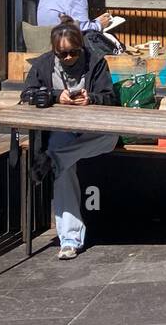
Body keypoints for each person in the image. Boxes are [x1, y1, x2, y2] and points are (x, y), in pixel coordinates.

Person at [23, 20, 120, 258]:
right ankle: (69, 239)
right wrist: (57, 96)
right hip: (61, 130)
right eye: (63, 54)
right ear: (54, 51)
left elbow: (111, 98)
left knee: (111, 138)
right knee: (64, 170)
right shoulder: (43, 65)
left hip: (93, 130)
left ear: (81, 48)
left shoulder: (96, 62)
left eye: (73, 53)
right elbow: (27, 94)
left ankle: (53, 160)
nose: (68, 58)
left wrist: (92, 98)